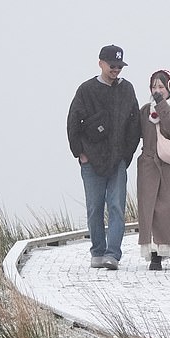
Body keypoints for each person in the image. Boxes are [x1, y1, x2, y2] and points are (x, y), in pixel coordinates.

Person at [66, 45, 140, 270]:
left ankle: (113, 254)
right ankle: (97, 252)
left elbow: (134, 124)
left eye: (119, 66)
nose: (116, 69)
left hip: (117, 160)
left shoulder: (127, 89)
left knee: (117, 206)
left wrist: (126, 155)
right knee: (94, 208)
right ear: (100, 63)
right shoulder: (86, 90)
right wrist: (80, 153)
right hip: (92, 161)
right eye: (112, 65)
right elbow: (72, 123)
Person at [137, 69, 170, 270]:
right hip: (149, 165)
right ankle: (155, 256)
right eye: (154, 87)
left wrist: (161, 105)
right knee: (151, 210)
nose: (157, 90)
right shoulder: (145, 111)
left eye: (161, 86)